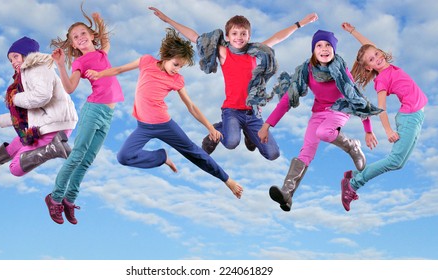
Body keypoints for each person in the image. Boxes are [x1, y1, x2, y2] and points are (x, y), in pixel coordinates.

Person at [85, 28, 243, 199]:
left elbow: (191, 105)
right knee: (123, 157)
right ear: (166, 56)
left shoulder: (177, 80)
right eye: (176, 64)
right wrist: (99, 74)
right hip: (143, 126)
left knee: (194, 152)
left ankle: (227, 180)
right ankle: (161, 157)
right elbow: (119, 70)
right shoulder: (146, 61)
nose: (177, 69)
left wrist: (210, 127)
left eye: (181, 67)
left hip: (164, 125)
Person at [149, 7, 318, 160]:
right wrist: (168, 20)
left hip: (253, 114)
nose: (239, 37)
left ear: (249, 36)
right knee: (230, 142)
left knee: (273, 154)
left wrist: (300, 24)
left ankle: (249, 133)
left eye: (243, 34)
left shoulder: (255, 52)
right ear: (228, 36)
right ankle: (218, 129)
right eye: (235, 34)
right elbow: (195, 37)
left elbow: (277, 37)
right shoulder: (223, 53)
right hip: (232, 111)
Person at [259, 30, 383, 211]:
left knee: (324, 132)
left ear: (333, 49)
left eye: (328, 46)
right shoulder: (306, 70)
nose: (324, 49)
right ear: (313, 50)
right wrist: (267, 125)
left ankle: (352, 146)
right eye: (319, 45)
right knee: (305, 152)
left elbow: (356, 98)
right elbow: (287, 99)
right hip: (319, 113)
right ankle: (287, 194)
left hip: (340, 109)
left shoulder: (341, 70)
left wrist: (368, 130)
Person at [46, 6, 124, 224]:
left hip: (108, 115)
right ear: (72, 44)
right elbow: (70, 88)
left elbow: (106, 42)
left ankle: (69, 200)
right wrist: (61, 65)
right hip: (93, 111)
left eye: (83, 33)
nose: (80, 38)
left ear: (91, 37)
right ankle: (55, 198)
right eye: (75, 37)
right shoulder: (80, 62)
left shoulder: (101, 53)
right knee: (77, 155)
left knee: (87, 160)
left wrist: (100, 23)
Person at [339, 23, 428, 211]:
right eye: (372, 59)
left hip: (417, 116)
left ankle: (352, 175)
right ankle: (353, 185)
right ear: (369, 67)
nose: (377, 58)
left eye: (377, 54)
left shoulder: (388, 66)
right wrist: (388, 131)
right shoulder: (382, 80)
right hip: (409, 118)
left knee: (399, 163)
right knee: (394, 161)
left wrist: (353, 31)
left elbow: (370, 47)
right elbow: (381, 108)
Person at [0, 36, 77, 177]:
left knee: (15, 169)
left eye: (16, 56)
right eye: (10, 60)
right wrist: (0, 120)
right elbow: (27, 113)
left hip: (53, 126)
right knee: (16, 143)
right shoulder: (27, 73)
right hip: (50, 123)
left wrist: (15, 98)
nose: (13, 62)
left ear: (28, 54)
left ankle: (53, 148)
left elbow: (42, 96)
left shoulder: (36, 68)